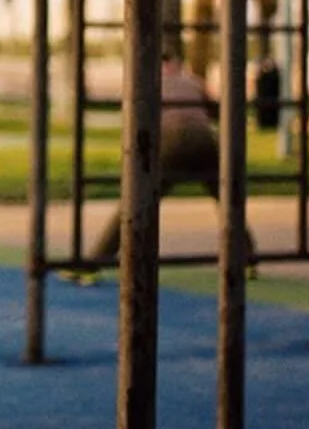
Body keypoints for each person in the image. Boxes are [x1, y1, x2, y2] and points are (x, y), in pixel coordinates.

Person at [83, 55, 257, 275]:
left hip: (171, 142)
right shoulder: (191, 81)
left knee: (135, 201)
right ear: (175, 64)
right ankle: (247, 259)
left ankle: (95, 261)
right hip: (204, 142)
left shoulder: (146, 82)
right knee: (226, 201)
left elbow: (136, 120)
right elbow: (216, 111)